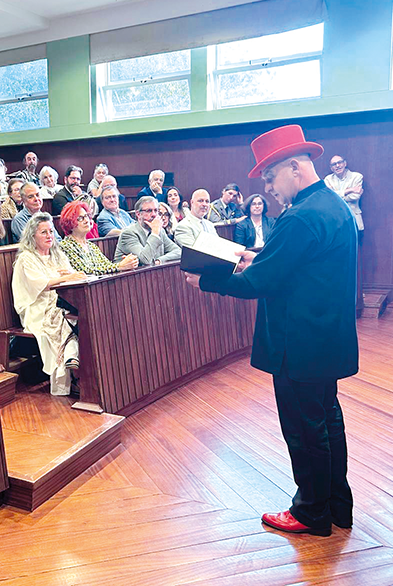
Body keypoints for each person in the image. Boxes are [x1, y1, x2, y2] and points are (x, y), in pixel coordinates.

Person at [185, 124, 357, 537]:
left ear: (295, 168)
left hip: (298, 343)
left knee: (303, 429)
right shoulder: (332, 206)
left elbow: (258, 283)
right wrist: (254, 255)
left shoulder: (300, 216)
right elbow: (295, 264)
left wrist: (206, 280)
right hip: (325, 339)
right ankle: (336, 505)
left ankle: (311, 512)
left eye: (269, 176)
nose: (267, 187)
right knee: (327, 421)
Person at [12, 212, 84, 396]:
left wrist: (66, 276)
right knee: (64, 317)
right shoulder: (26, 258)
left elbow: (72, 276)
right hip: (37, 307)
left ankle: (75, 361)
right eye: (43, 232)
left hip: (60, 301)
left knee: (78, 314)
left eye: (51, 231)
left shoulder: (57, 254)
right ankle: (71, 359)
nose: (49, 235)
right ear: (32, 236)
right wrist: (62, 277)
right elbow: (41, 284)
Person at [59, 201, 137, 275]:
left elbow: (107, 265)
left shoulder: (92, 246)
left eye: (86, 216)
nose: (86, 220)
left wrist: (125, 263)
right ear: (69, 223)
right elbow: (86, 271)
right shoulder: (66, 246)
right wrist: (119, 266)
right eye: (80, 218)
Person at [114, 196, 181, 265]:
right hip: (129, 275)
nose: (154, 215)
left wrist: (159, 260)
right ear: (138, 214)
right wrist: (155, 233)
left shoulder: (160, 231)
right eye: (149, 211)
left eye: (156, 210)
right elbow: (145, 260)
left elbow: (178, 251)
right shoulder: (128, 234)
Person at [325, 155, 364, 235]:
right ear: (331, 168)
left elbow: (355, 196)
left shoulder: (356, 176)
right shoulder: (328, 179)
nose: (337, 166)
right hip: (335, 222)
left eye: (339, 162)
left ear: (345, 163)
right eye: (334, 164)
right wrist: (350, 190)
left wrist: (335, 196)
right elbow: (328, 197)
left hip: (353, 219)